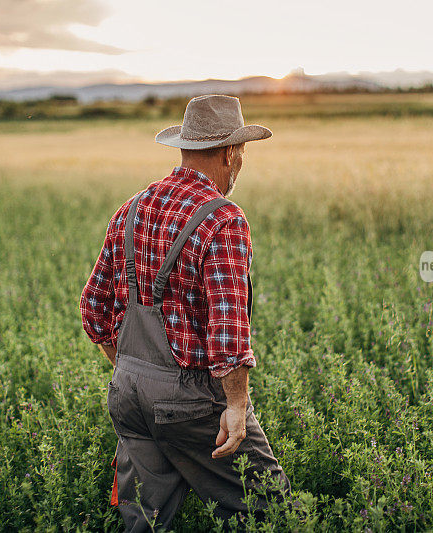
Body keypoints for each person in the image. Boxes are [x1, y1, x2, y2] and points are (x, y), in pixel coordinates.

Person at [80, 94, 291, 531]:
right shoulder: (224, 219)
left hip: (128, 393)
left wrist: (132, 369)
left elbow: (94, 311)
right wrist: (236, 405)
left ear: (185, 146)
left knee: (142, 521)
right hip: (190, 400)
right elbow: (228, 338)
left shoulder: (131, 209)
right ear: (232, 153)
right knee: (270, 509)